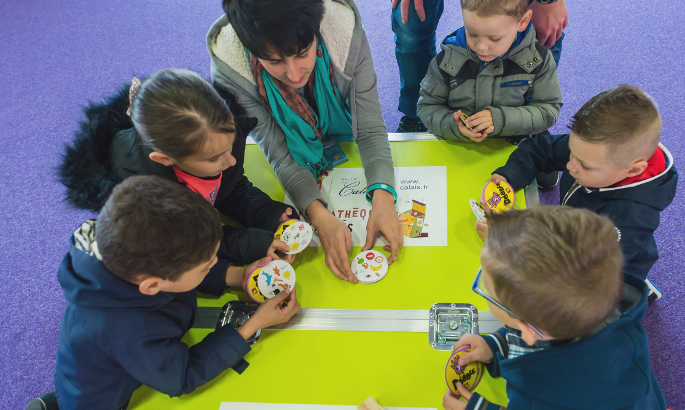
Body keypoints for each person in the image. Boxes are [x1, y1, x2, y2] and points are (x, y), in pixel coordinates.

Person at [27, 176, 300, 410]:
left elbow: (181, 274)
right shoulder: (130, 330)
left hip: (97, 365)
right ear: (151, 286)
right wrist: (251, 325)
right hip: (99, 399)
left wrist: (240, 276)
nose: (213, 266)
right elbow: (182, 376)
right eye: (206, 266)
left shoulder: (126, 249)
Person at [208, 0, 403, 283]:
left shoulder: (344, 32)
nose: (294, 74)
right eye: (274, 61)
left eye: (302, 53)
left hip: (337, 132)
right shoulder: (232, 69)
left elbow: (370, 127)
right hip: (296, 157)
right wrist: (317, 214)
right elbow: (278, 151)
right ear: (249, 49)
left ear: (317, 31)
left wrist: (384, 196)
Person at [58, 69, 296, 267]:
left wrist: (267, 213)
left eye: (230, 145)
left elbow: (229, 189)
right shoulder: (142, 196)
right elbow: (188, 242)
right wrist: (254, 243)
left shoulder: (214, 136)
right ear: (165, 159)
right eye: (214, 159)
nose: (230, 161)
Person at [443, 206, 667, 410]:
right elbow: (534, 334)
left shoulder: (541, 396)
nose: (484, 288)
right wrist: (494, 346)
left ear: (528, 328)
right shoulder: (593, 309)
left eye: (487, 290)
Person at [483, 85, 678, 280]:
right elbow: (542, 148)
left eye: (584, 165)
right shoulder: (593, 152)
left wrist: (509, 249)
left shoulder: (630, 220)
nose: (570, 166)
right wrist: (510, 176)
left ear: (634, 169)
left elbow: (580, 279)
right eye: (572, 152)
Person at [391, 0, 568, 133]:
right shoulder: (448, 59)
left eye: (494, 38)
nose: (481, 47)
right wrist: (452, 126)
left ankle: (535, 134)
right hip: (459, 144)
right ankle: (413, 121)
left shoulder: (539, 60)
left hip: (515, 138)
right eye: (472, 34)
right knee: (410, 25)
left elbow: (548, 109)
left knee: (546, 36)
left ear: (523, 21)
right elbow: (428, 106)